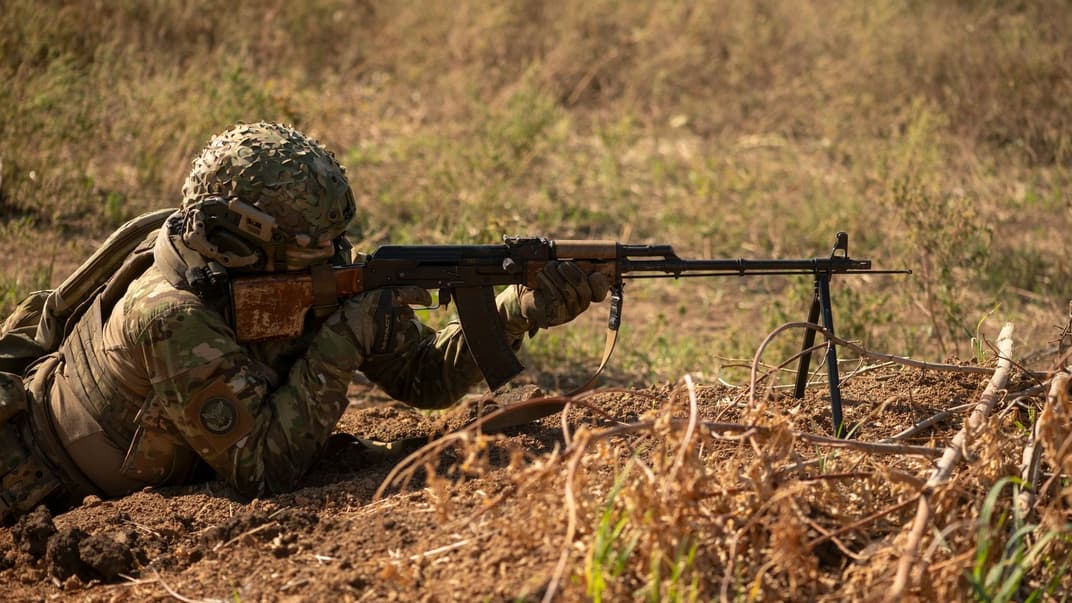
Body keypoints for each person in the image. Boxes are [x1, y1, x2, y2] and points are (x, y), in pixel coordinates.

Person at [0, 122, 608, 521]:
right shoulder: (169, 315)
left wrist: (517, 310)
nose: (333, 259)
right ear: (244, 238)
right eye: (311, 248)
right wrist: (343, 340)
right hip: (39, 491)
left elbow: (424, 379)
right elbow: (264, 471)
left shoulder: (268, 271)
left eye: (334, 243)